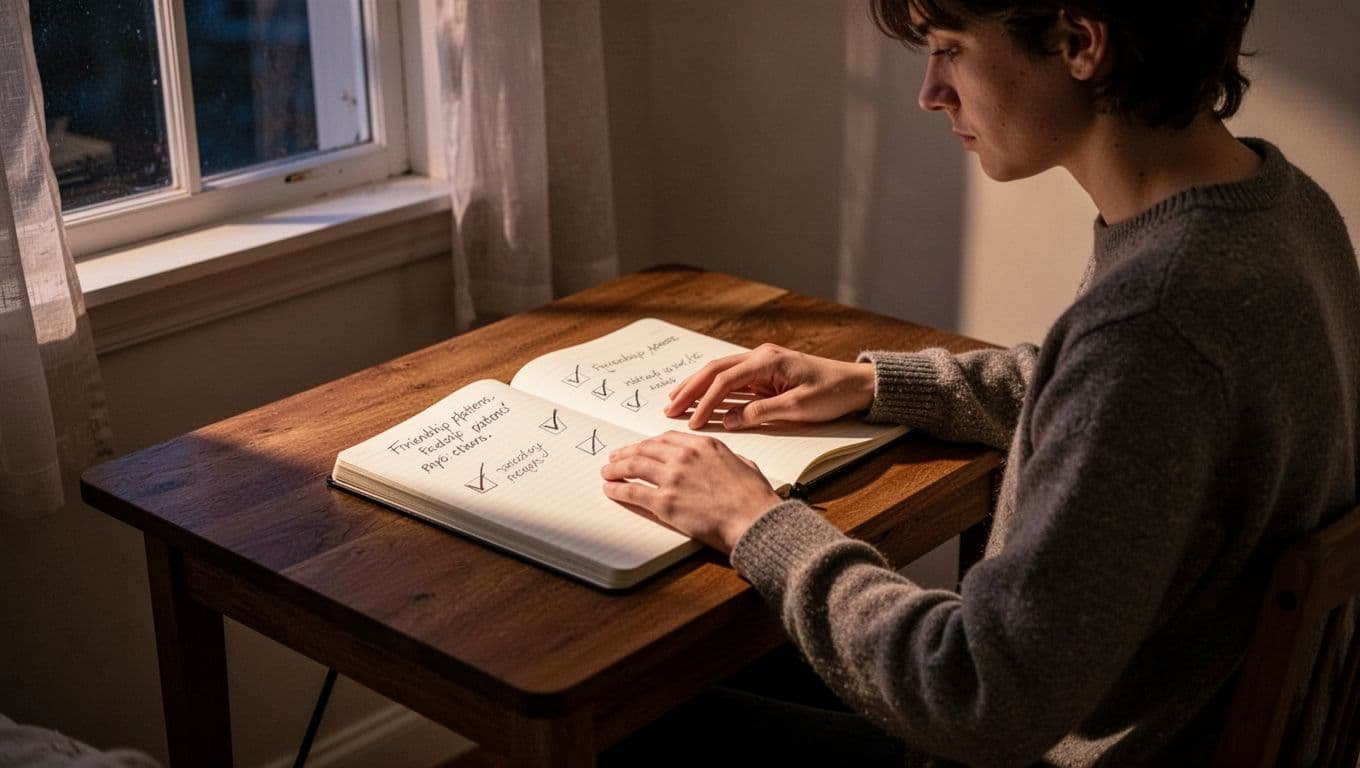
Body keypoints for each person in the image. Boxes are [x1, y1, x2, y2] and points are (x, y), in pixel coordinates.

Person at [598, 0, 1360, 764]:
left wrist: (752, 521)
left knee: (625, 717)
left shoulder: (1152, 321)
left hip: (1046, 734)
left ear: (1079, 41)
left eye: (951, 49)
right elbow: (1115, 406)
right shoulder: (1280, 209)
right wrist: (874, 384)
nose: (931, 91)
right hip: (1165, 710)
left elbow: (978, 696)